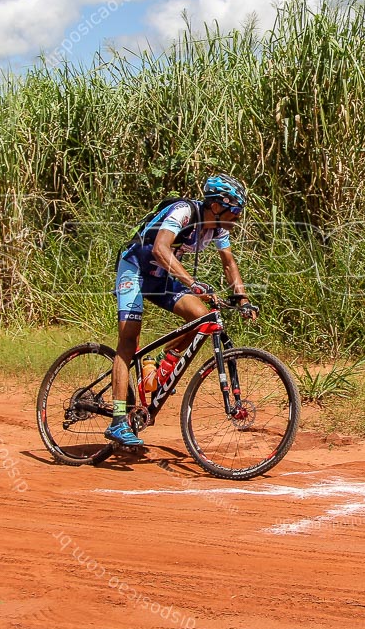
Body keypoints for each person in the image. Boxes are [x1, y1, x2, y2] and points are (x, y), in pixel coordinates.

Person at [108, 174, 257, 450]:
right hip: (135, 268)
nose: (237, 217)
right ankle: (117, 420)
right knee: (129, 339)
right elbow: (160, 248)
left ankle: (159, 370)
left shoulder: (218, 229)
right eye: (234, 210)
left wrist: (242, 298)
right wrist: (192, 282)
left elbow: (228, 263)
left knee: (201, 318)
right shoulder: (184, 212)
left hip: (161, 278)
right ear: (216, 206)